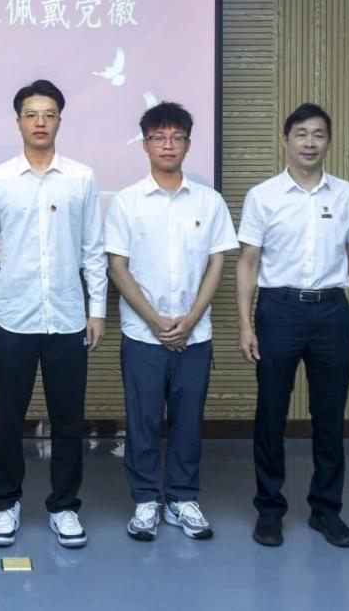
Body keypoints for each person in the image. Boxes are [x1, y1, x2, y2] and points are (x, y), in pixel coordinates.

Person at [0, 79, 107, 549]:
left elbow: (93, 249)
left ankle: (64, 506)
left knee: (68, 420)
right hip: (11, 316)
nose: (40, 122)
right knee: (6, 419)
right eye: (31, 114)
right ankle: (4, 504)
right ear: (18, 122)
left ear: (60, 121)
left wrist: (96, 310)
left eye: (49, 114)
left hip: (67, 317)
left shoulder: (82, 177)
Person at [236, 103, 349, 549]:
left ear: (328, 142)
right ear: (286, 140)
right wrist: (245, 324)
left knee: (329, 417)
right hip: (279, 311)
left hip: (332, 312)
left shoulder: (346, 194)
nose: (309, 143)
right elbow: (249, 262)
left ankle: (326, 510)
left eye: (318, 134)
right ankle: (269, 510)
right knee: (271, 415)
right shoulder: (263, 196)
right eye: (301, 134)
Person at [105, 102, 237, 542]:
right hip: (143, 334)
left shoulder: (209, 201)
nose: (167, 145)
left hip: (194, 335)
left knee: (187, 421)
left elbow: (217, 263)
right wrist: (157, 321)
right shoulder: (126, 202)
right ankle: (146, 500)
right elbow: (118, 267)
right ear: (144, 145)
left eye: (176, 137)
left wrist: (191, 319)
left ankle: (182, 499)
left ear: (188, 144)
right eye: (158, 137)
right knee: (142, 421)